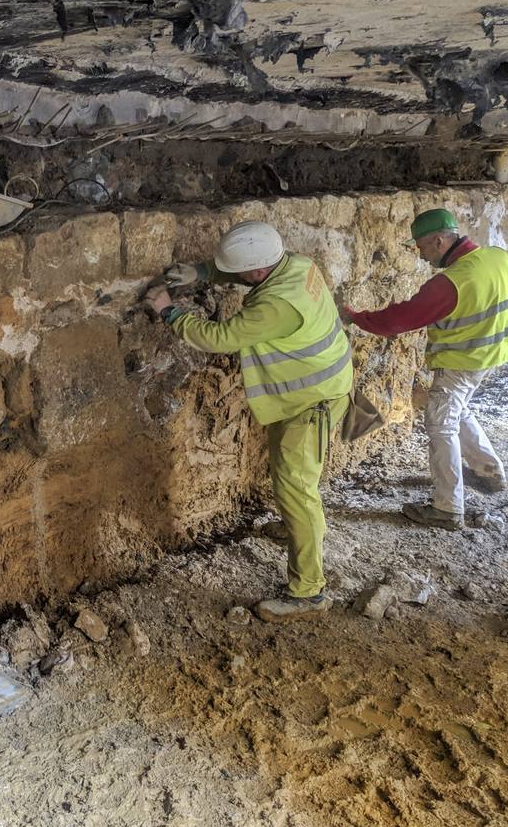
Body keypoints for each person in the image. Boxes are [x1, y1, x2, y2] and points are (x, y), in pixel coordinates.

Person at [146, 221, 353, 623]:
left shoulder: (274, 307)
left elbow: (218, 338)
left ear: (257, 272)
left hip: (311, 404)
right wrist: (203, 272)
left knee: (296, 489)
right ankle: (299, 532)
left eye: (241, 272)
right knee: (297, 485)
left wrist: (168, 310)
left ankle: (309, 591)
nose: (240, 277)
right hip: (320, 389)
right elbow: (249, 269)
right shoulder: (295, 263)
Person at [342, 208, 508, 529]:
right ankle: (488, 472)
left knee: (441, 424)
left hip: (464, 360)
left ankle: (447, 508)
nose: (421, 255)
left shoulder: (450, 283)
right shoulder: (501, 258)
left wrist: (356, 316)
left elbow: (398, 320)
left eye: (422, 247)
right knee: (457, 409)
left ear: (440, 241)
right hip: (496, 352)